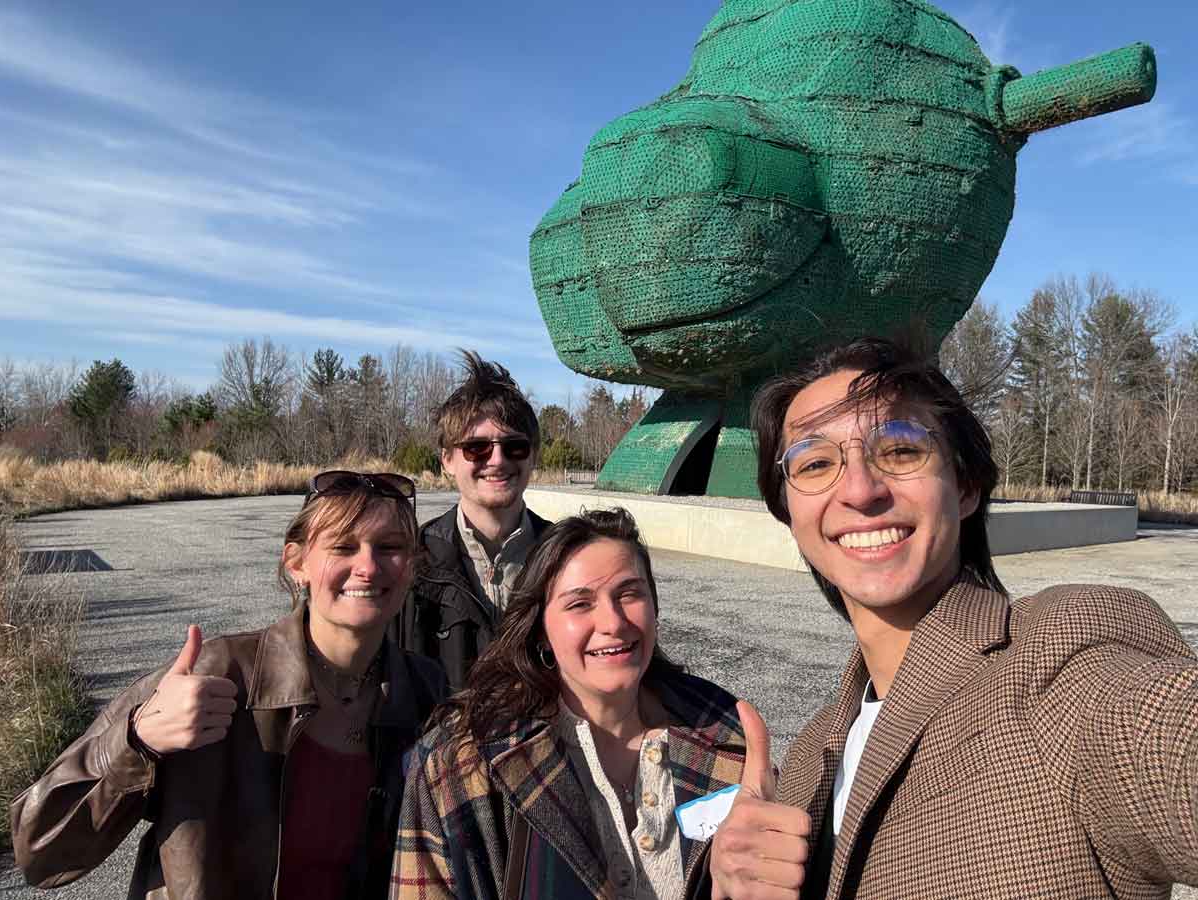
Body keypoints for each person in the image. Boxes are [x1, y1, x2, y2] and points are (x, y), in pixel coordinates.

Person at [703, 336, 1198, 899]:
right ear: (790, 513)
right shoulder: (811, 756)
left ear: (964, 486)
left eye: (901, 450)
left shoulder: (1057, 665)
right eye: (816, 463)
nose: (861, 490)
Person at [11, 471, 447, 900]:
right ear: (297, 563)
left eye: (389, 547)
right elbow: (39, 851)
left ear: (411, 567)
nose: (368, 567)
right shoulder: (216, 675)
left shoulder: (426, 691)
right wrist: (138, 739)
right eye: (343, 546)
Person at [394, 508, 749, 899]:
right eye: (579, 604)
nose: (612, 622)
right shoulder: (463, 766)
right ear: (541, 631)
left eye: (629, 593)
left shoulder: (730, 740)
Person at [400, 351, 551, 690]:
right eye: (476, 448)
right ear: (447, 460)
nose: (496, 461)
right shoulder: (413, 562)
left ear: (533, 456)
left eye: (514, 446)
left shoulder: (566, 555)